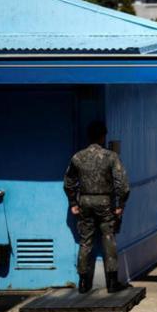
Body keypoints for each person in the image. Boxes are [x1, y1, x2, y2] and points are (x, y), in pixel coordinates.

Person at [64, 121, 130, 294]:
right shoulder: (111, 157)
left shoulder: (78, 157)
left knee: (85, 241)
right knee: (108, 238)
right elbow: (122, 185)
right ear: (103, 136)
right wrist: (120, 205)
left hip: (85, 201)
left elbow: (68, 182)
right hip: (105, 202)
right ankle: (112, 282)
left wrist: (73, 203)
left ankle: (84, 283)